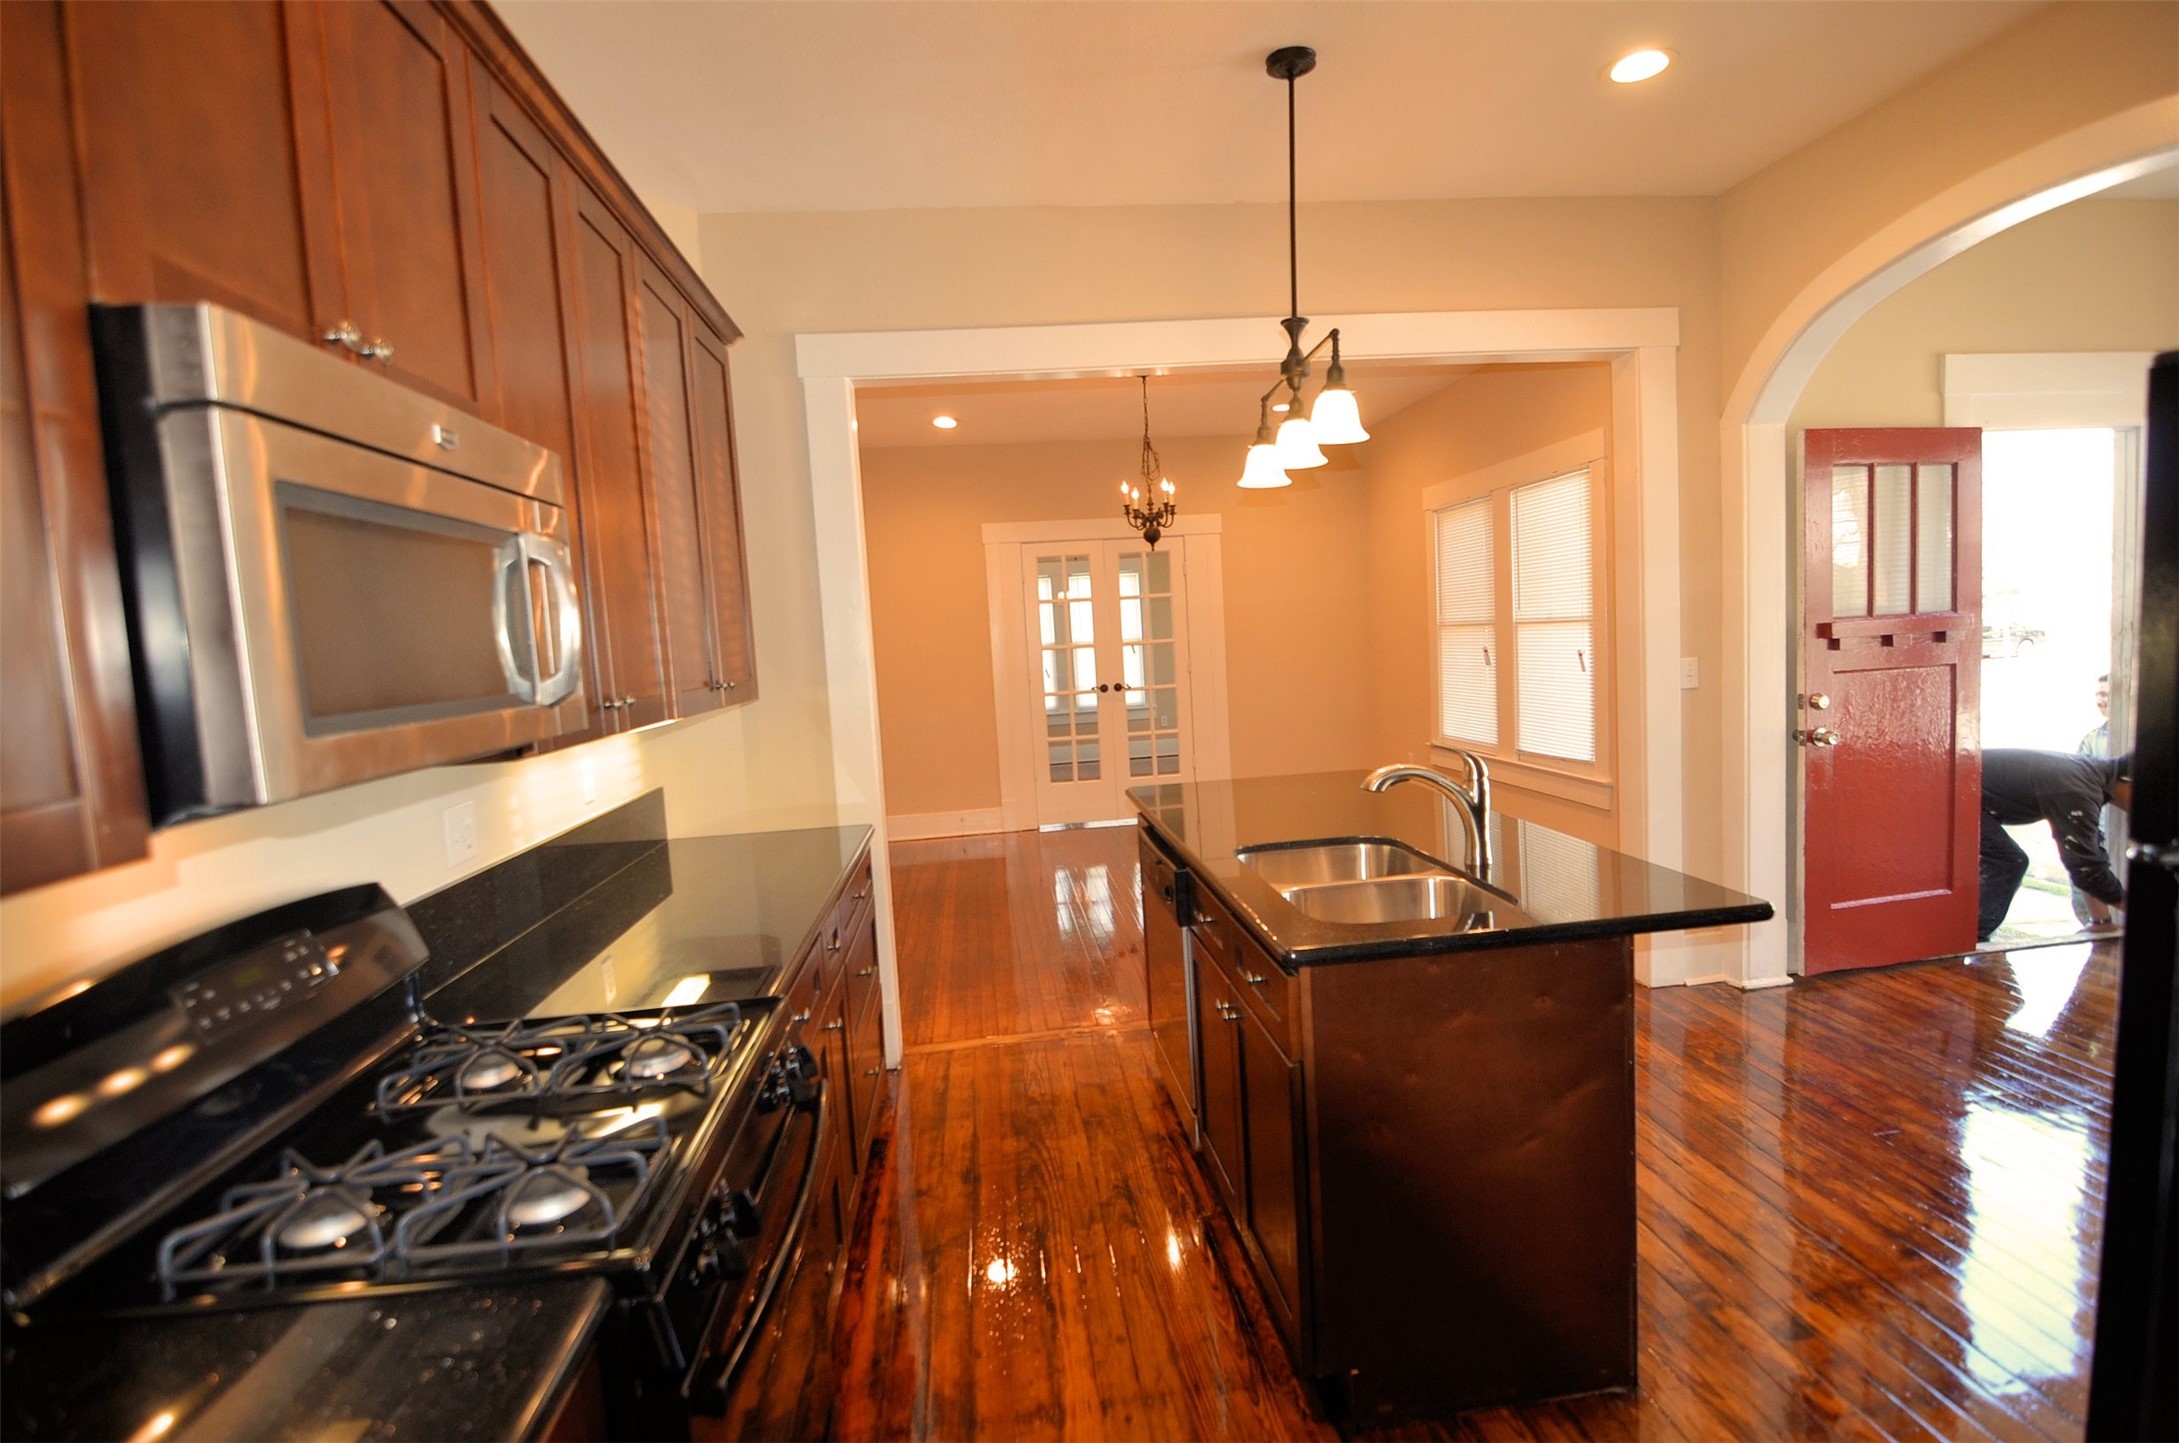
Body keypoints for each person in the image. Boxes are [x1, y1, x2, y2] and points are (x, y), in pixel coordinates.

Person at [1980, 748, 2130, 942]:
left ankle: (1969, 936)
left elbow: (2087, 855)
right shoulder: (2078, 788)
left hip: (1965, 789)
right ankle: (1969, 939)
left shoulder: (2092, 773)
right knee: (2007, 862)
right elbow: (2086, 870)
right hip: (1950, 788)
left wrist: (2101, 922)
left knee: (2009, 861)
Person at [2071, 674, 2114, 925]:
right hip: (2096, 834)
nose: (2101, 699)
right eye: (2098, 694)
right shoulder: (2091, 741)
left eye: (2107, 694)